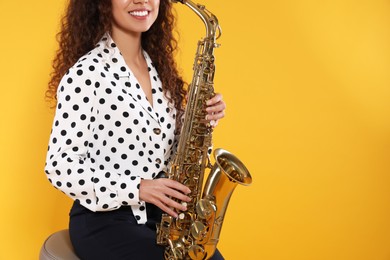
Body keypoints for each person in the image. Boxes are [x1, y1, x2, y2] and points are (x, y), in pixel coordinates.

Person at [44, 0, 226, 259]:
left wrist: (199, 120)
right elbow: (59, 165)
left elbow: (172, 154)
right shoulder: (86, 75)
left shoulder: (159, 69)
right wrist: (137, 187)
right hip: (105, 222)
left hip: (162, 219)